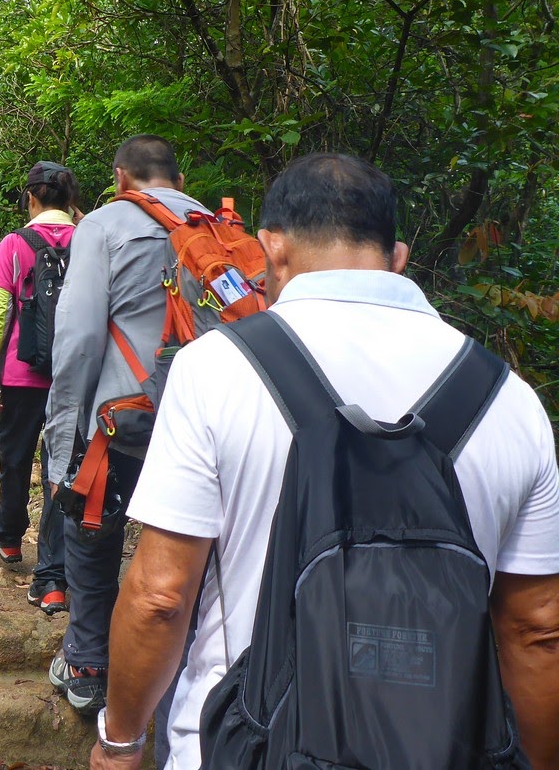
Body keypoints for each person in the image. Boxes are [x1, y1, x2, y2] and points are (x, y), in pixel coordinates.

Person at [90, 154, 559, 769]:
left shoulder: (215, 369)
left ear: (271, 249)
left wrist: (120, 742)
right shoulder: (509, 399)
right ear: (398, 258)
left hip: (245, 746)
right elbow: (537, 631)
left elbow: (160, 595)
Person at [43, 135, 210, 725]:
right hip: (205, 420)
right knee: (193, 550)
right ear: (179, 179)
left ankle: (88, 666)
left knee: (92, 532)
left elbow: (80, 337)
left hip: (123, 418)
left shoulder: (103, 225)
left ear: (119, 178)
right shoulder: (217, 227)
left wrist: (62, 437)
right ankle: (184, 672)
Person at [0, 160, 79, 615]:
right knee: (62, 471)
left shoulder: (15, 243)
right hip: (73, 376)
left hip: (21, 374)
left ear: (31, 197)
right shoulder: (89, 240)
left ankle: (8, 535)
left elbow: (0, 316)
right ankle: (54, 579)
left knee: (15, 459)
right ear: (70, 199)